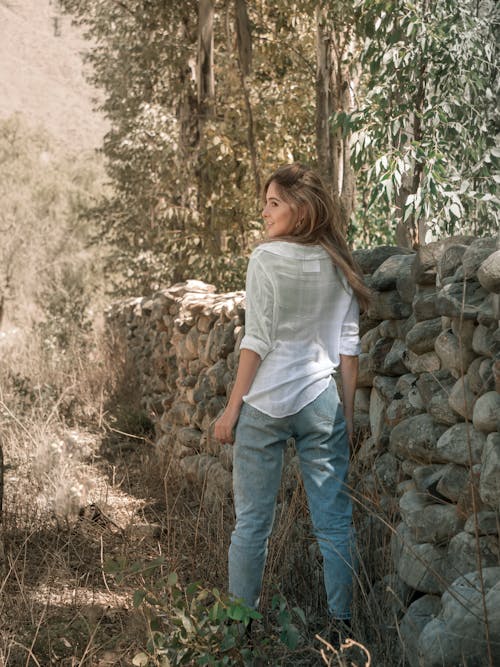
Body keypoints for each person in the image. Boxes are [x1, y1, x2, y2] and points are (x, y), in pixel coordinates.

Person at [214, 163, 371, 631]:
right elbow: (348, 348)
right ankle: (344, 629)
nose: (264, 212)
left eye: (274, 203)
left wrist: (231, 409)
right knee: (334, 522)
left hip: (263, 405)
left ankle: (239, 633)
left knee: (252, 525)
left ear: (300, 210)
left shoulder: (266, 259)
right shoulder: (339, 260)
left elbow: (256, 341)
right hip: (321, 399)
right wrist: (346, 416)